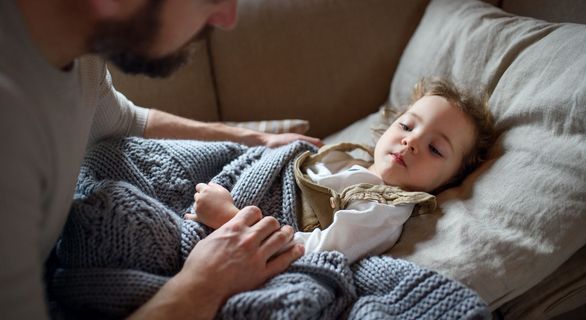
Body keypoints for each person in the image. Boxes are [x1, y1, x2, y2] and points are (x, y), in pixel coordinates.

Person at [0, 0, 322, 319]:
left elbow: (128, 122)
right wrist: (205, 283)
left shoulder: (78, 50)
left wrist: (259, 139)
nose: (228, 17)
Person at [186, 77, 495, 264]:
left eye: (435, 149)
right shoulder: (345, 158)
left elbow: (315, 253)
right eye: (407, 125)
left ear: (449, 181)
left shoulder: (384, 210)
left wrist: (229, 217)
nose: (411, 141)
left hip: (238, 227)